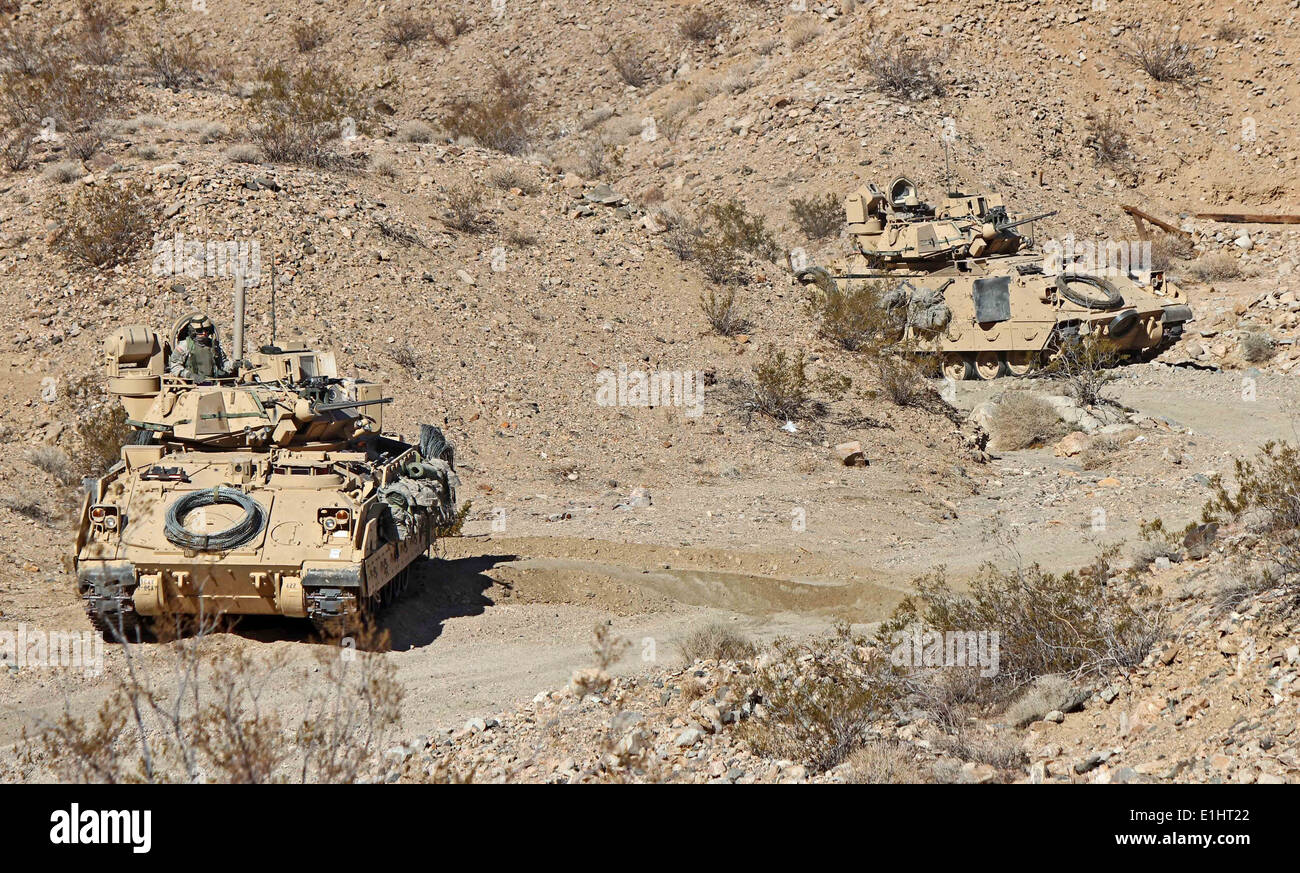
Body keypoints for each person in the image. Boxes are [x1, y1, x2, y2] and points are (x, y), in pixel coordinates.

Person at [167, 315, 233, 382]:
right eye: (199, 331)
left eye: (206, 330)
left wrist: (233, 365)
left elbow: (223, 363)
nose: (204, 333)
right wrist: (189, 375)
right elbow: (175, 367)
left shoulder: (214, 345)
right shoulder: (185, 346)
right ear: (193, 331)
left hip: (213, 384)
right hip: (191, 386)